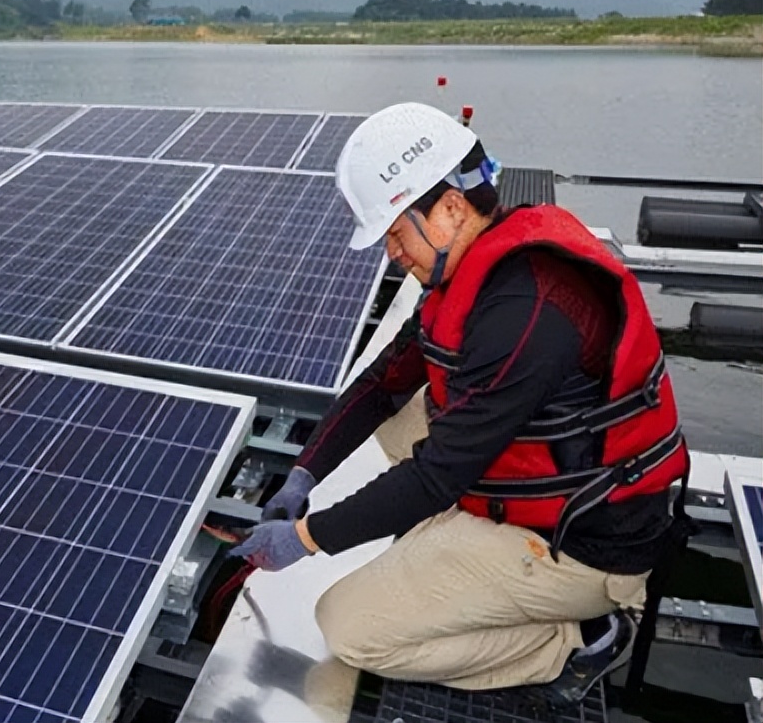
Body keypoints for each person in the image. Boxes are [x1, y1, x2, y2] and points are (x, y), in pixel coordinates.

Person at [230, 101, 689, 705]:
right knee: (399, 413)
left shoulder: (526, 309)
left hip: (588, 544)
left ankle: (579, 635)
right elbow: (380, 385)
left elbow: (436, 477)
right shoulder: (473, 267)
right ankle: (473, 553)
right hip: (556, 472)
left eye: (396, 234)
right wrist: (302, 474)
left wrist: (307, 537)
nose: (391, 254)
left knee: (347, 625)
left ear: (449, 206)